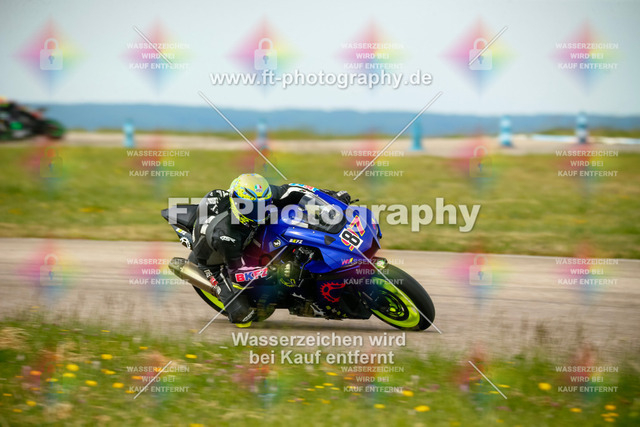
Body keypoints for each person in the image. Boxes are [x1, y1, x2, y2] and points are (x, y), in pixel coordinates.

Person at [190, 173, 351, 324]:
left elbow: (294, 190)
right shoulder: (226, 236)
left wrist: (330, 197)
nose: (258, 212)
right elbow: (238, 276)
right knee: (242, 315)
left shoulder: (260, 195)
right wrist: (275, 271)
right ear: (237, 204)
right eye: (251, 208)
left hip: (241, 230)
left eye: (262, 206)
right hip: (216, 263)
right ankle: (223, 292)